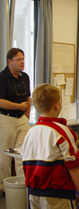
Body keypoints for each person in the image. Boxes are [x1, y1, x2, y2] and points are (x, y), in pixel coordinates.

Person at [0, 48, 31, 192]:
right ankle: (6, 189)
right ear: (9, 61)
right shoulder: (2, 77)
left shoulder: (25, 77)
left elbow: (28, 98)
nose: (22, 62)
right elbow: (0, 101)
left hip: (22, 120)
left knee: (22, 155)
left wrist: (27, 116)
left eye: (23, 59)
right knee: (4, 158)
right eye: (19, 60)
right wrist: (19, 106)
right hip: (6, 120)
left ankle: (22, 186)